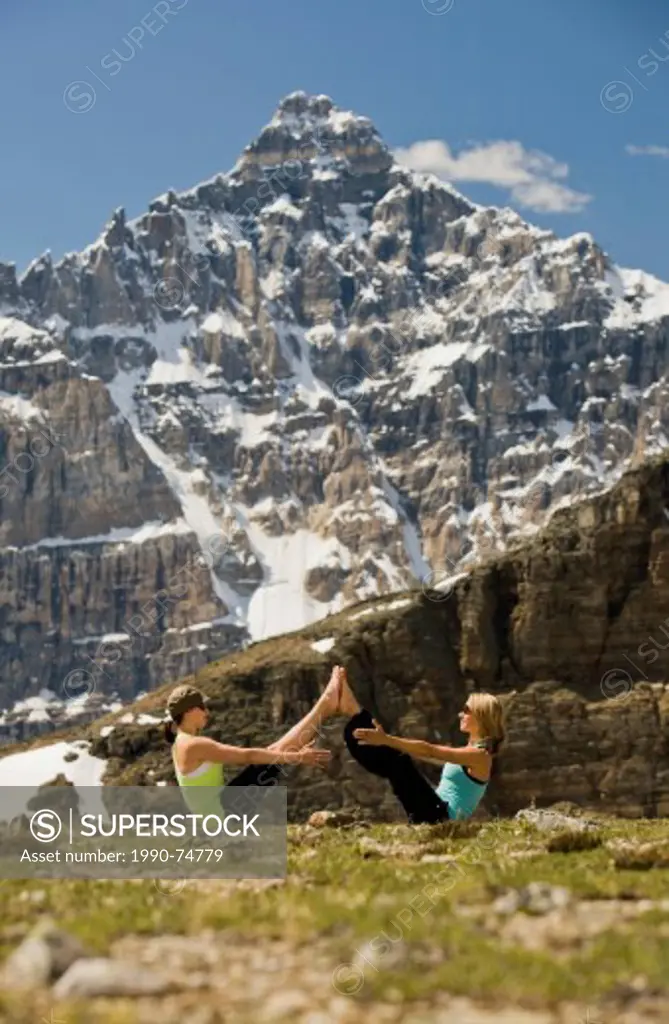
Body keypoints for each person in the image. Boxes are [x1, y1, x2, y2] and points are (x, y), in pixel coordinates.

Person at [338, 667, 505, 824]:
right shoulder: (471, 752)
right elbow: (426, 754)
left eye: (467, 710)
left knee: (399, 762)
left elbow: (430, 750)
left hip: (441, 817)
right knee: (398, 758)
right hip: (435, 812)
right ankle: (354, 715)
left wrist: (386, 739)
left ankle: (353, 711)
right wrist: (391, 744)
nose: (461, 714)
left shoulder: (480, 756)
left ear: (481, 716)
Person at [164, 676, 336, 815]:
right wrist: (298, 757)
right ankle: (326, 705)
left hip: (219, 813)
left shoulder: (179, 743)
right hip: (226, 815)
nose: (207, 712)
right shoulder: (194, 745)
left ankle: (325, 705)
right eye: (202, 707)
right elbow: (248, 756)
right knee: (270, 757)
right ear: (188, 711)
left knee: (272, 754)